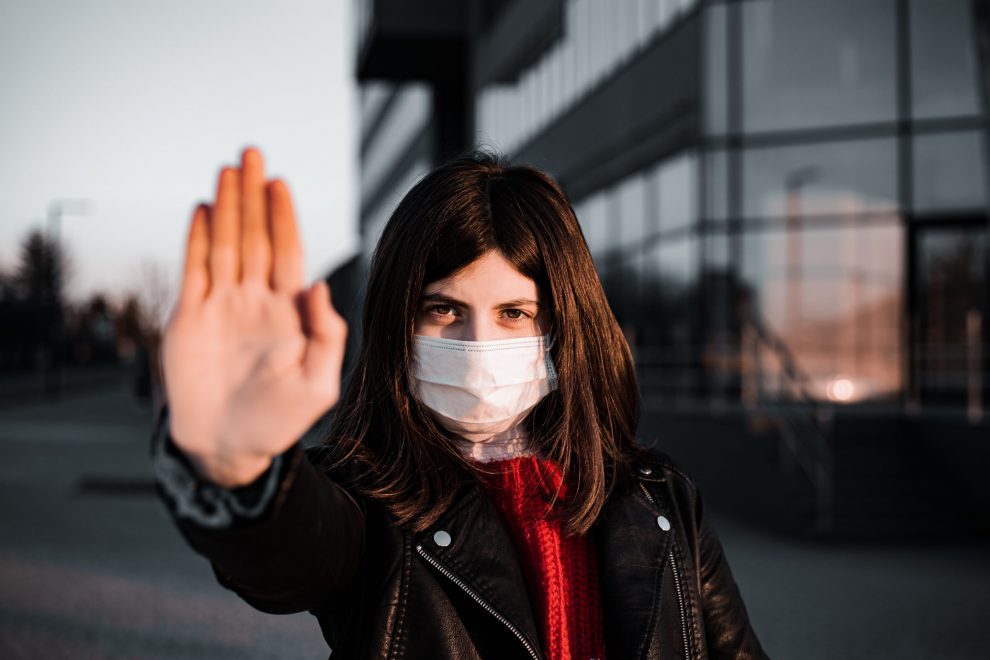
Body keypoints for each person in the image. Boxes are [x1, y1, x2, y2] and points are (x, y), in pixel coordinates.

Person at [152, 147, 768, 659]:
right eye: (444, 309)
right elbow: (287, 551)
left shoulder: (660, 499)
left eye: (514, 313)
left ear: (564, 327)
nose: (479, 344)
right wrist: (240, 469)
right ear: (399, 321)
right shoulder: (369, 500)